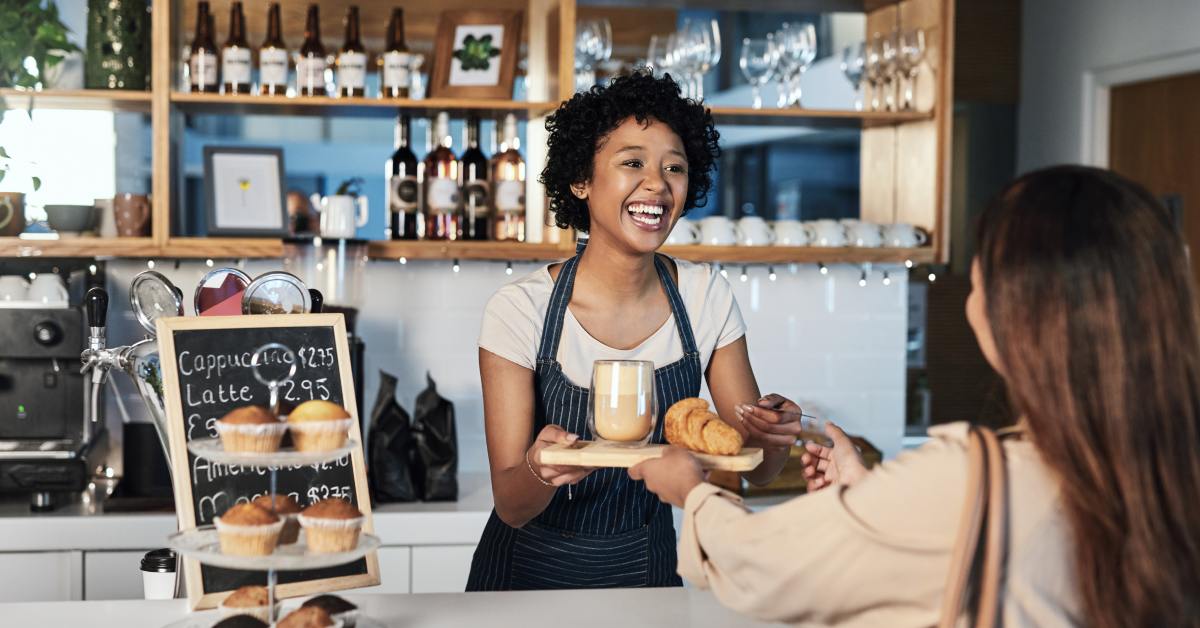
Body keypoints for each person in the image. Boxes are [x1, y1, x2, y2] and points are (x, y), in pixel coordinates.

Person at [632, 166, 1200, 627]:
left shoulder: (971, 477)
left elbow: (763, 562)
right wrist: (875, 498)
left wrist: (694, 494)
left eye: (982, 276)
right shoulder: (1171, 466)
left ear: (1017, 316)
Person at [465, 72, 804, 591]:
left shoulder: (704, 296)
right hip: (524, 583)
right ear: (581, 179)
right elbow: (511, 504)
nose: (657, 184)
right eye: (632, 163)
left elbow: (752, 468)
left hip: (646, 574)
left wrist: (775, 436)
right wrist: (541, 468)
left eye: (675, 167)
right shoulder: (521, 311)